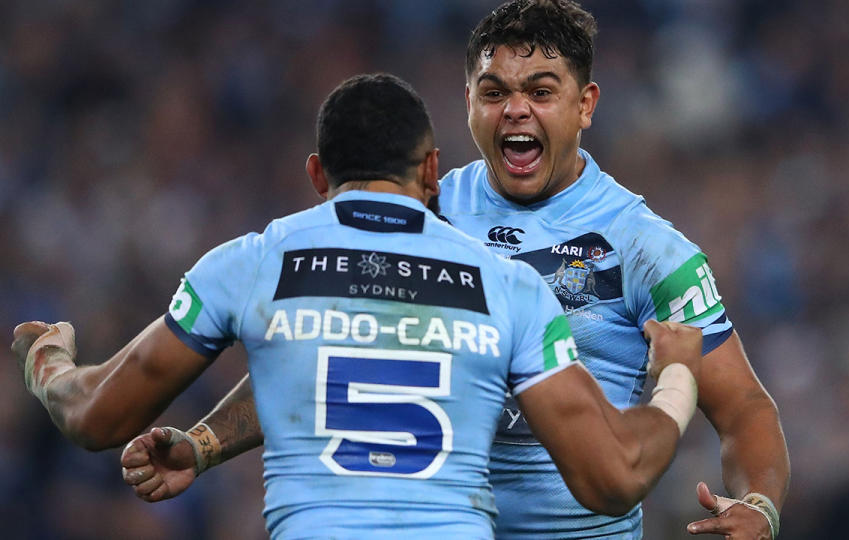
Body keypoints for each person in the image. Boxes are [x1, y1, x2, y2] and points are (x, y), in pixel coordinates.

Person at [122, 1, 790, 538]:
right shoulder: (424, 211)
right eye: (494, 91)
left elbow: (744, 407)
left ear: (585, 105)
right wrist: (206, 443)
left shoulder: (646, 248)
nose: (516, 110)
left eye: (541, 91)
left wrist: (759, 503)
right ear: (467, 101)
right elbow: (325, 343)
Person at [13, 73, 707, 539]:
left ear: (317, 173)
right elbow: (614, 480)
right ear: (433, 170)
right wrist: (675, 376)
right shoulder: (507, 288)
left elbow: (96, 415)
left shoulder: (252, 262)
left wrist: (49, 356)